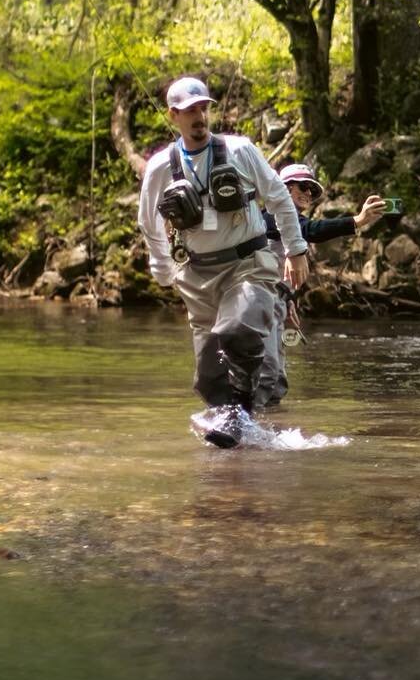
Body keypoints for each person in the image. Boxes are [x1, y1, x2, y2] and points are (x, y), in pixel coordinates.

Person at [137, 75, 309, 448]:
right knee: (209, 376)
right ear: (173, 116)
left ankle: (241, 412)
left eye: (203, 108)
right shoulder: (160, 168)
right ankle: (236, 442)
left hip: (249, 263)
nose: (199, 117)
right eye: (189, 111)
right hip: (196, 275)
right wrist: (162, 267)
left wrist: (296, 250)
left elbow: (279, 197)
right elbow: (148, 222)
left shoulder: (240, 150)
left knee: (239, 328)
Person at [253, 164, 386, 407]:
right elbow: (310, 231)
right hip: (261, 300)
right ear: (284, 188)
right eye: (302, 187)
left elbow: (286, 260)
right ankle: (244, 430)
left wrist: (290, 299)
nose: (308, 194)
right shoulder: (272, 215)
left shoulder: (291, 219)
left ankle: (270, 435)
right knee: (266, 373)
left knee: (278, 381)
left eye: (312, 191)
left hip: (279, 301)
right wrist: (357, 220)